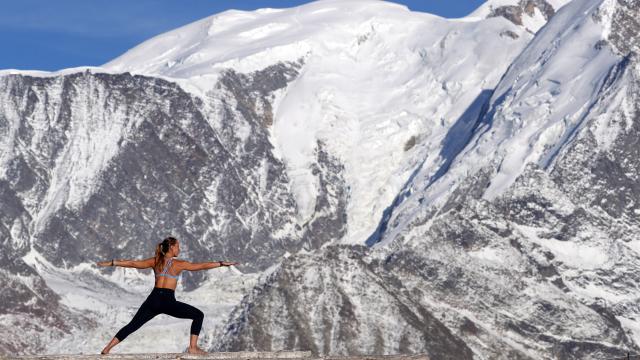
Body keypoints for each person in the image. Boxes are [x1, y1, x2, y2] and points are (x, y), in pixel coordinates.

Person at [96, 236, 239, 355]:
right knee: (198, 315)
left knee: (132, 325)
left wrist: (112, 262)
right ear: (171, 247)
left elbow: (134, 263)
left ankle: (107, 349)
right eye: (178, 246)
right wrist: (221, 263)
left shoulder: (155, 261)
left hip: (153, 299)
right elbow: (200, 266)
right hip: (167, 301)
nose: (179, 249)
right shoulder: (178, 264)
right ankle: (193, 348)